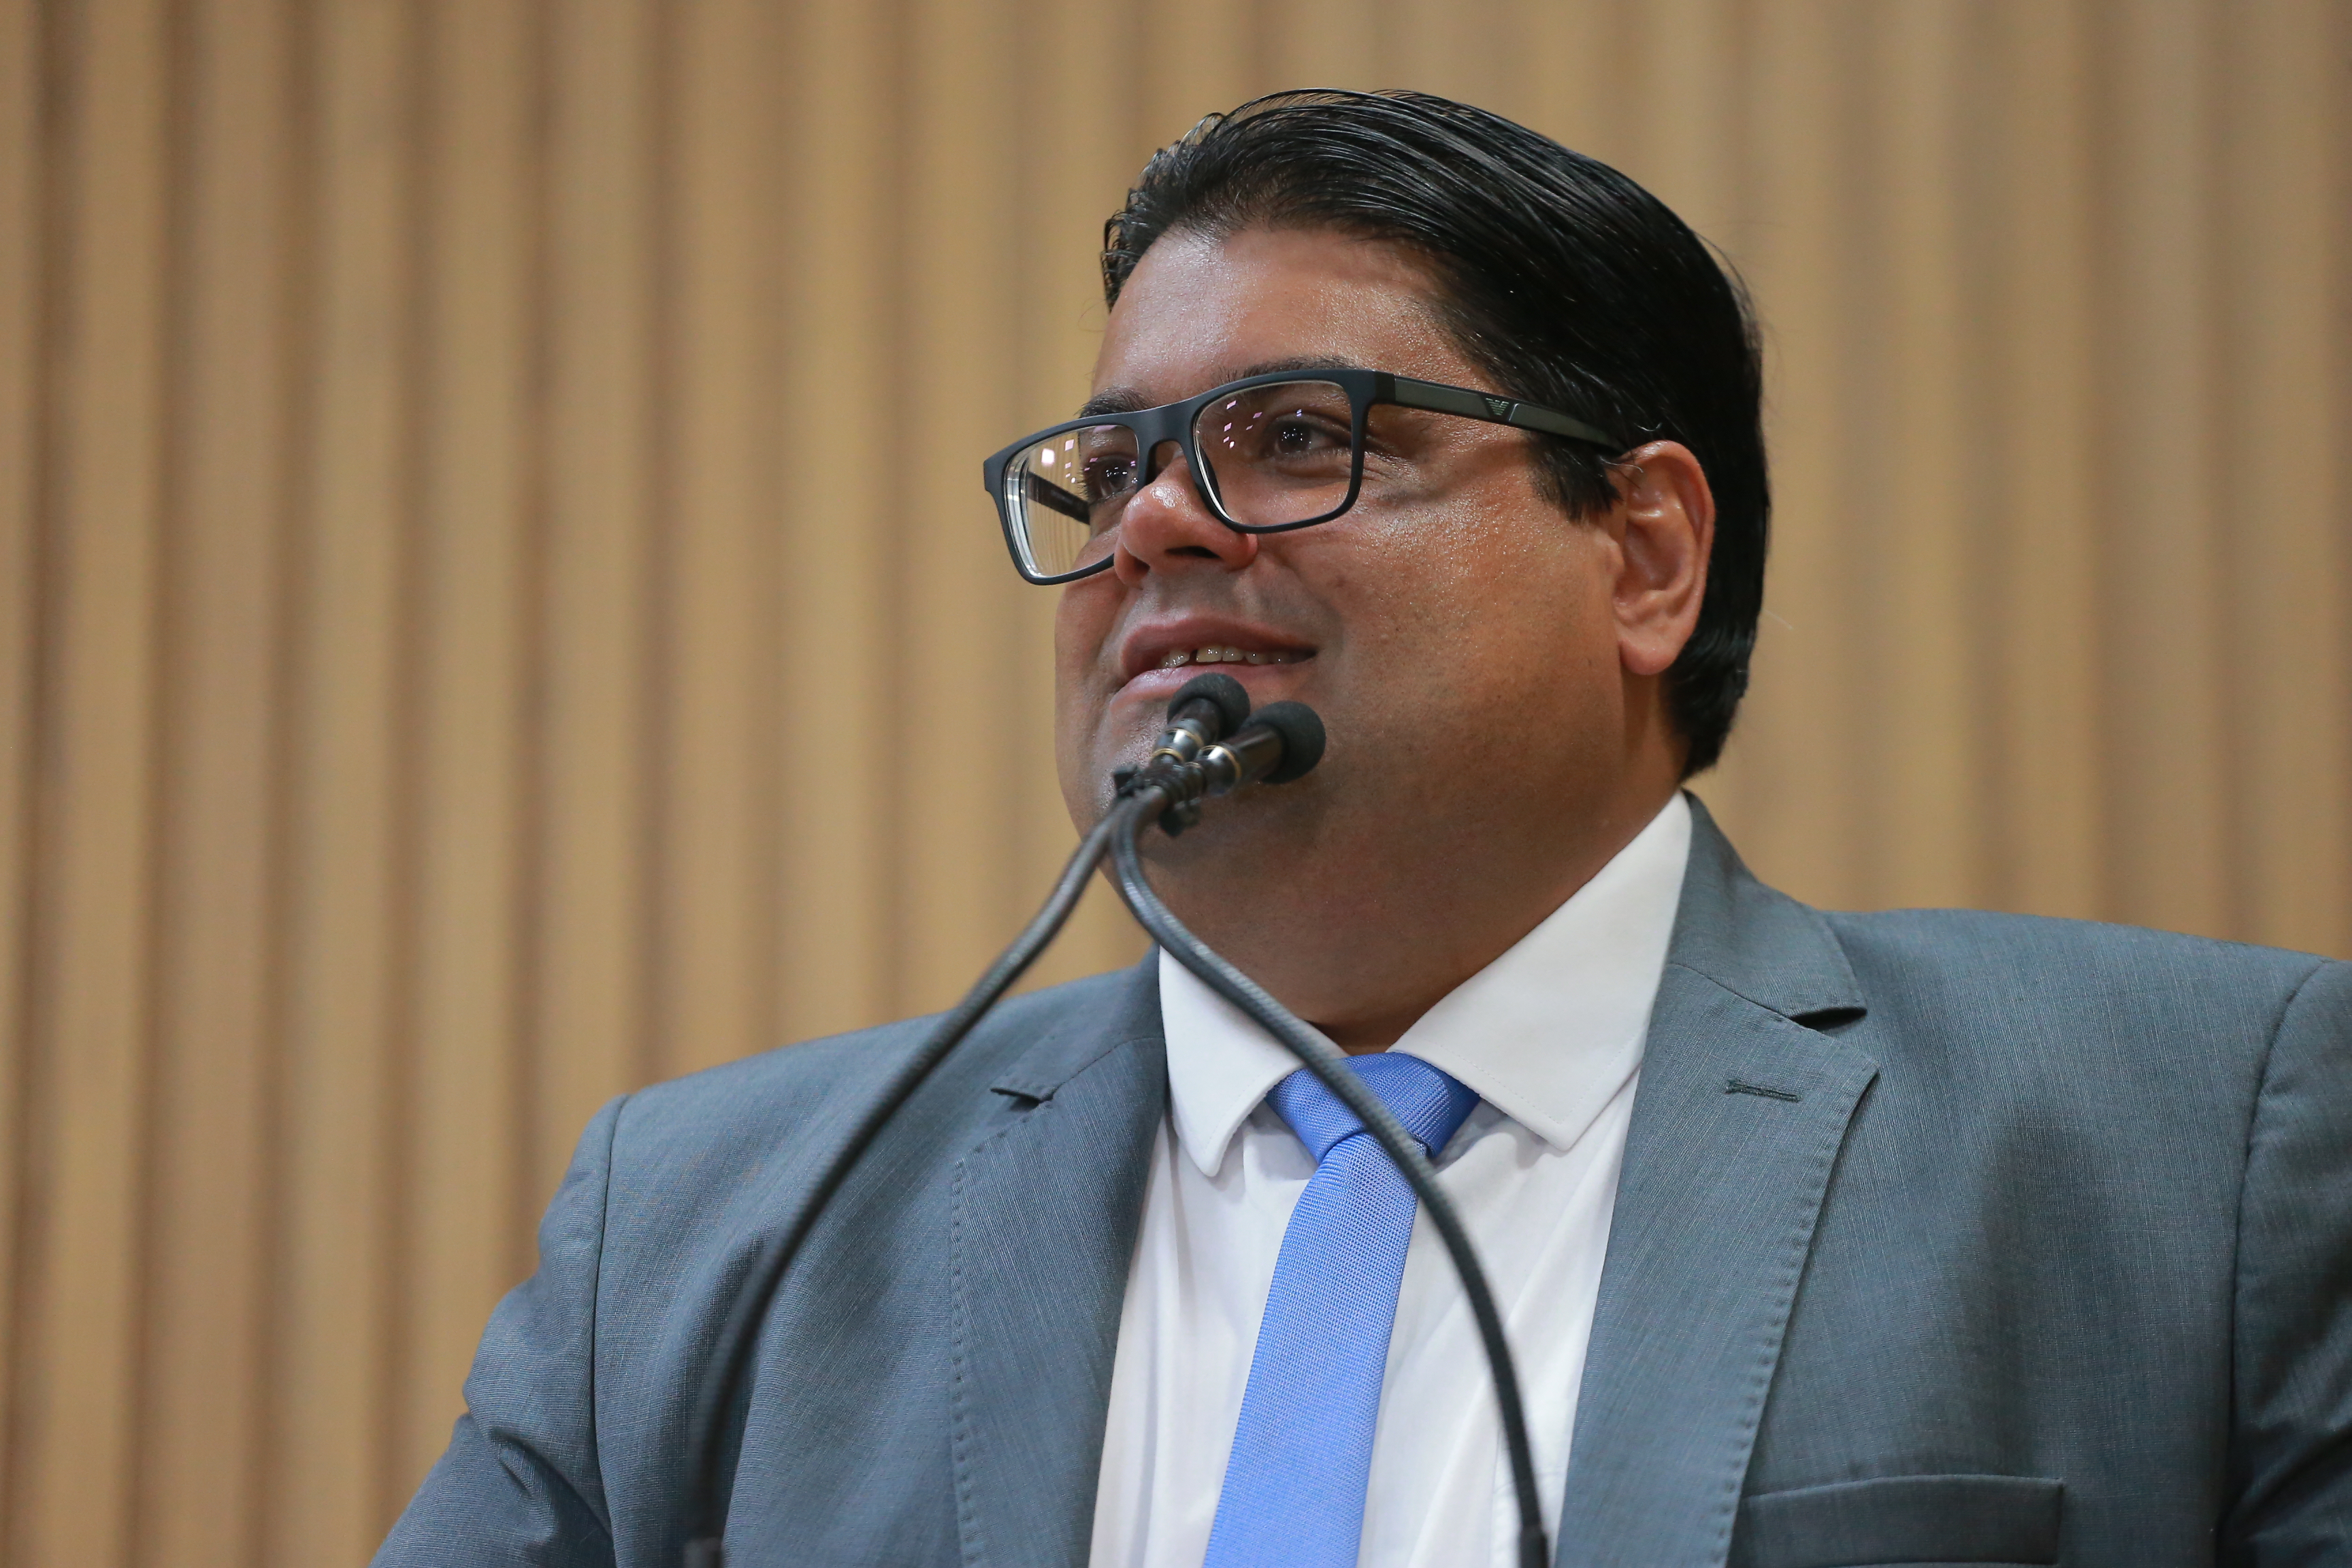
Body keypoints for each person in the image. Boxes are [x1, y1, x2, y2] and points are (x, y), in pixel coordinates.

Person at [376, 90, 2351, 1568]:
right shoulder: (714, 1233)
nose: (1153, 522)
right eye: (1110, 470)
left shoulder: (2200, 1147)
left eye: (1299, 436)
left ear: (1645, 557)